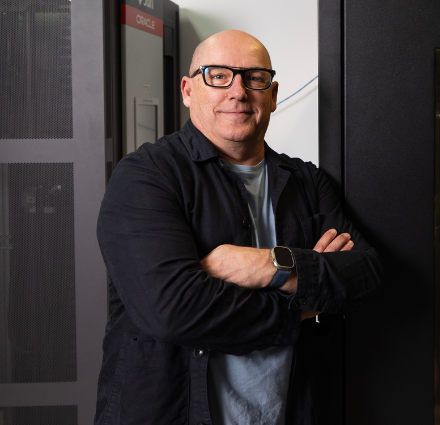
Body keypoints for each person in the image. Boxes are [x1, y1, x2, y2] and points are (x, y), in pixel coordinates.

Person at [94, 30, 382, 425]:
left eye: (254, 77)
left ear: (273, 94)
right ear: (188, 90)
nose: (238, 91)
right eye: (217, 75)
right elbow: (173, 311)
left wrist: (270, 266)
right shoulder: (147, 177)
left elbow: (366, 274)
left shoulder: (307, 182)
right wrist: (306, 301)